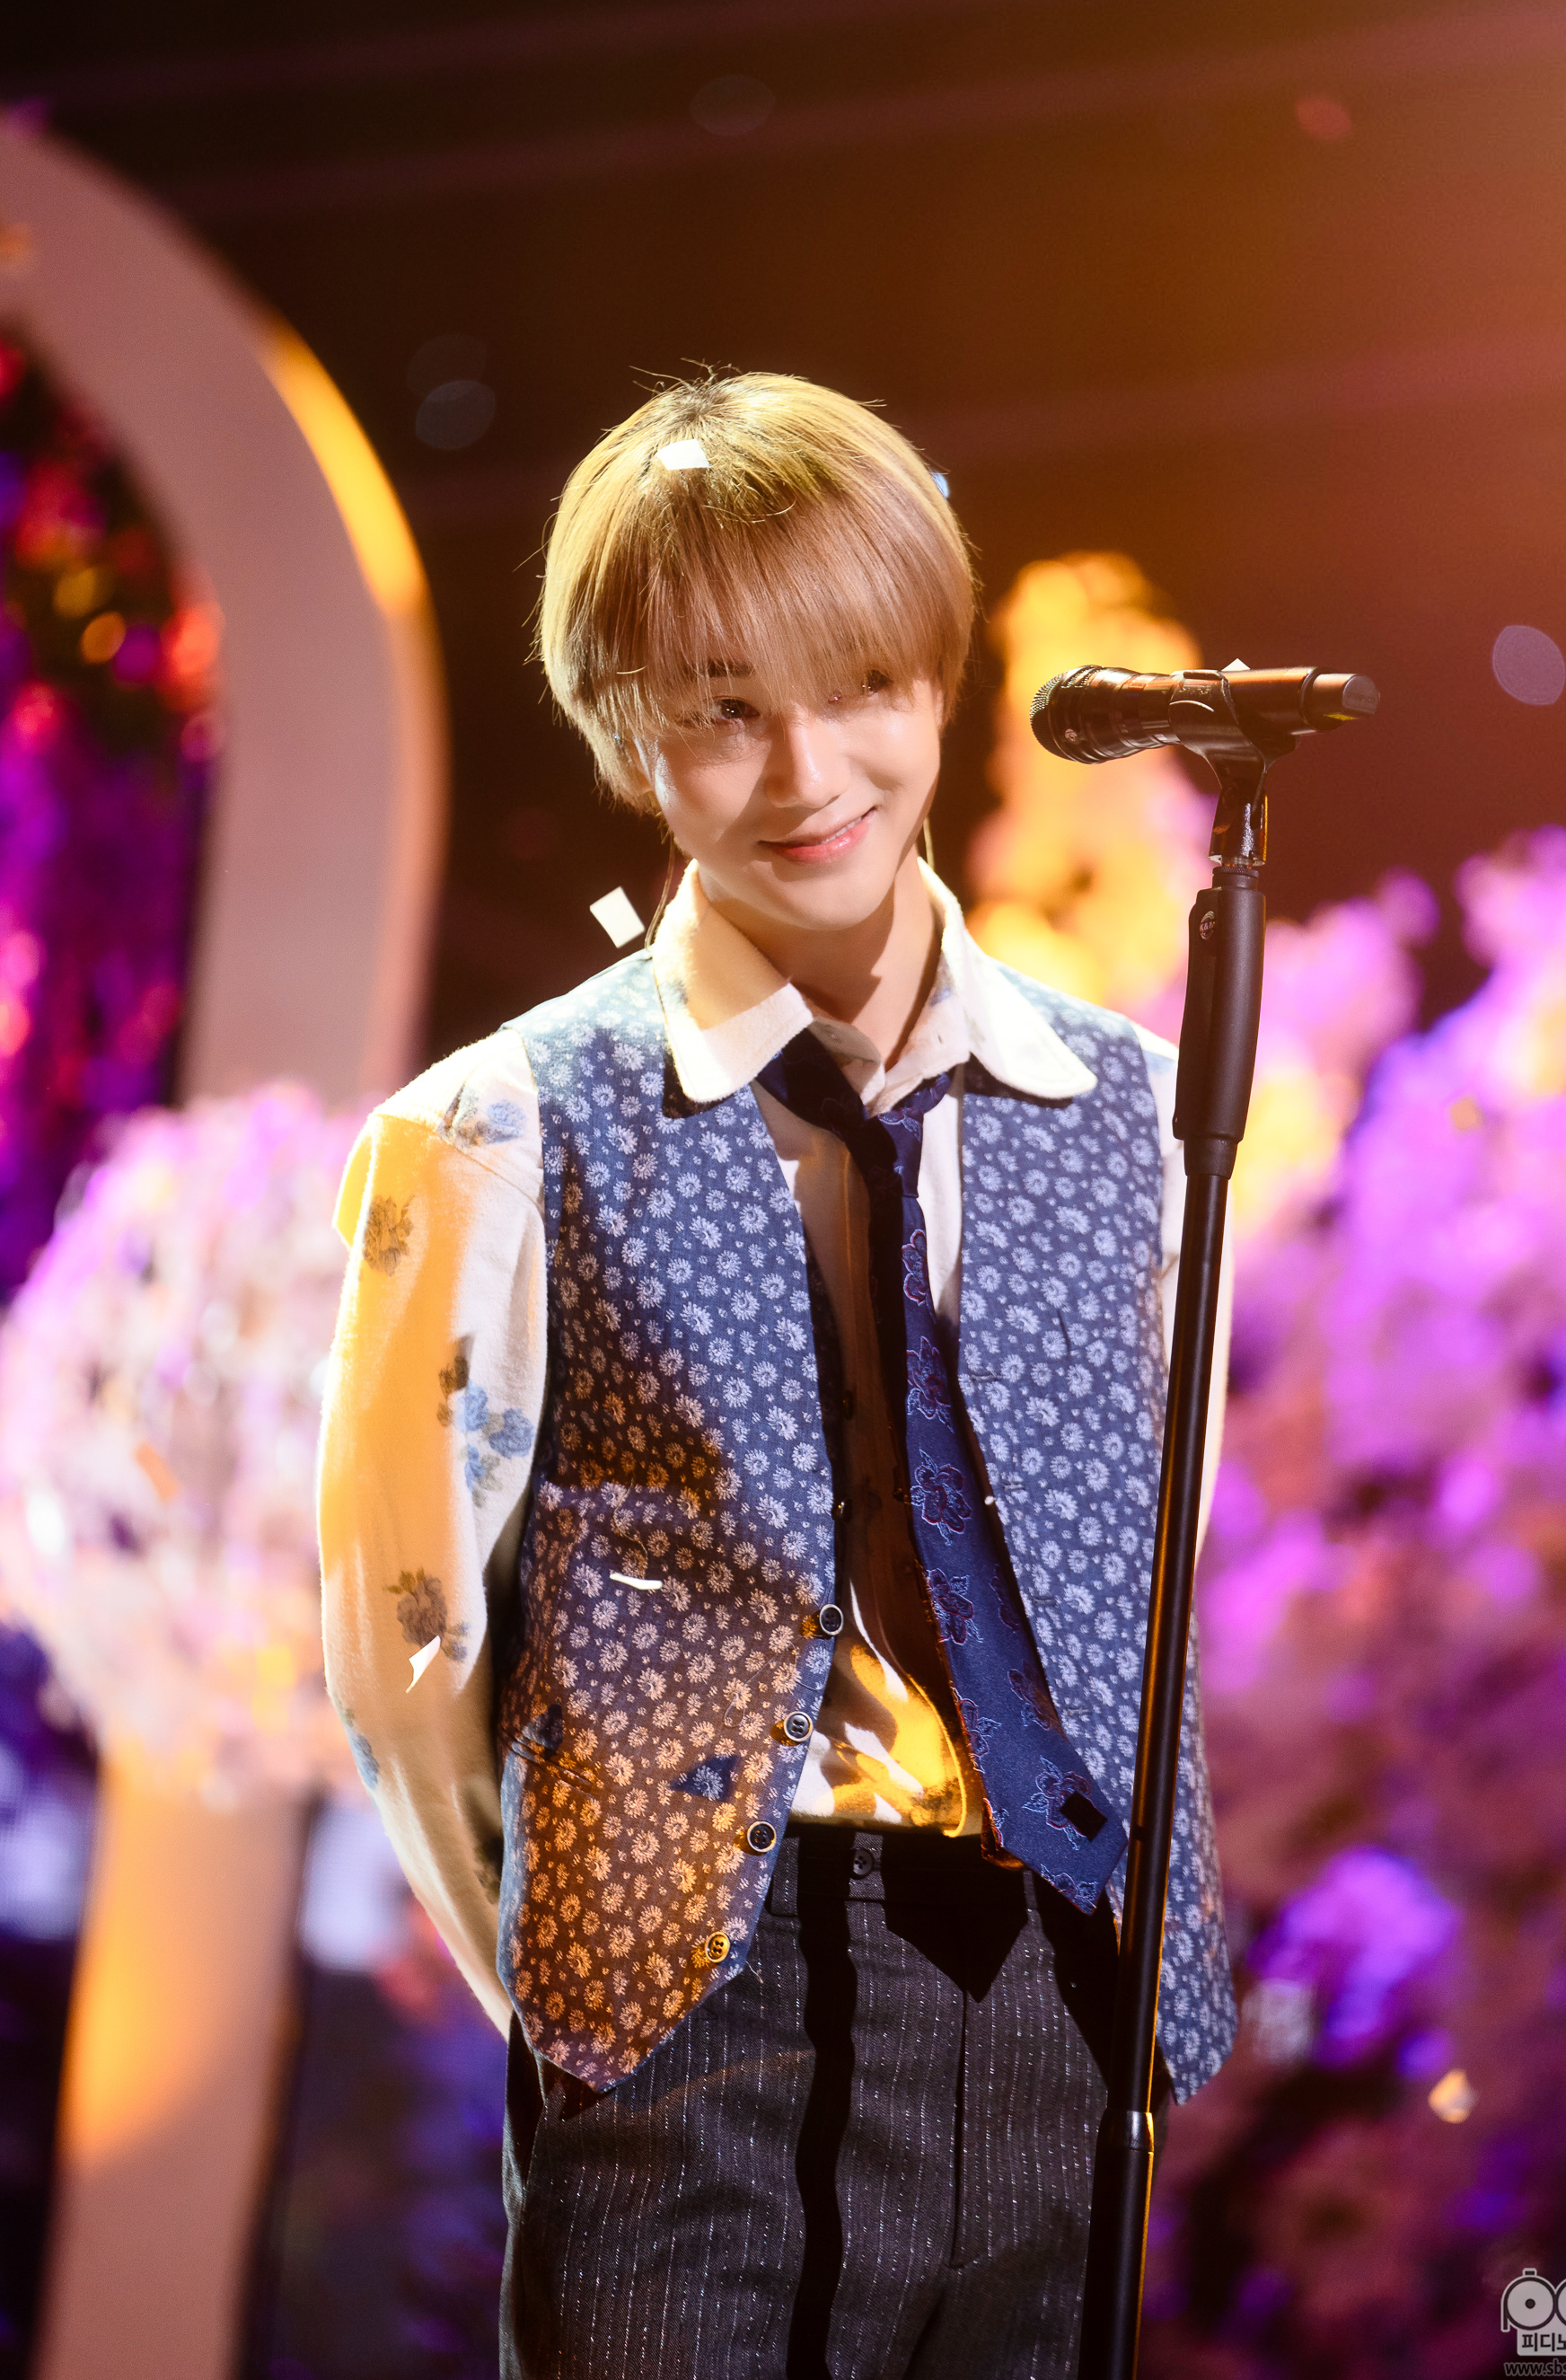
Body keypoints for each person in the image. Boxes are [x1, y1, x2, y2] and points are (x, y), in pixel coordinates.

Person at [318, 371, 1236, 2380]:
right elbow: (405, 1647)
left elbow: (1144, 1578)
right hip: (692, 2019)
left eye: (866, 688)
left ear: (940, 682)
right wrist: (599, 1977)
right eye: (725, 709)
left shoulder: (1144, 1123)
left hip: (1055, 1998)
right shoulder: (498, 1129)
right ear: (622, 725)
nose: (811, 771)